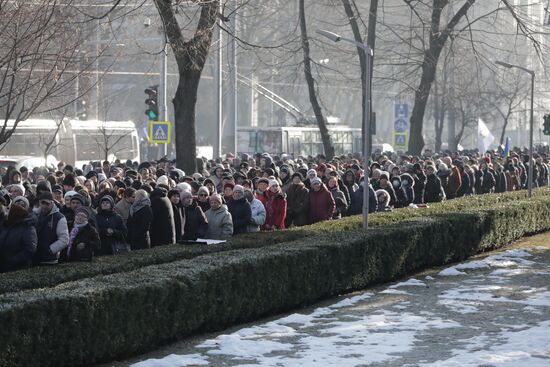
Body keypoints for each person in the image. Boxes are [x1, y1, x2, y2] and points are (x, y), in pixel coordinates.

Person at [33, 191, 69, 265]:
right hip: (35, 257)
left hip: (50, 259)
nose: (44, 206)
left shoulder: (59, 218)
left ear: (52, 203)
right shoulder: (35, 215)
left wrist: (50, 250)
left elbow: (64, 239)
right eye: (42, 203)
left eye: (47, 203)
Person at [0, 204, 37, 272]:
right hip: (4, 265)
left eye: (8, 211)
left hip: (17, 267)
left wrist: (13, 259)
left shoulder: (28, 227)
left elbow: (30, 249)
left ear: (14, 213)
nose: (5, 214)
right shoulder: (6, 224)